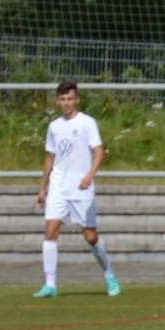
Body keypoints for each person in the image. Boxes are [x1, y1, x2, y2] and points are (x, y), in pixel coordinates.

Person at [32, 81, 120, 298]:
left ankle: (109, 274)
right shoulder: (54, 126)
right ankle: (50, 284)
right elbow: (50, 157)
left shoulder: (87, 123)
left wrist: (89, 176)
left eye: (70, 99)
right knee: (51, 230)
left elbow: (99, 152)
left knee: (90, 236)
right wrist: (43, 187)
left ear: (77, 99)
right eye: (62, 99)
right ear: (57, 101)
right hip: (58, 187)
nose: (66, 103)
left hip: (81, 188)